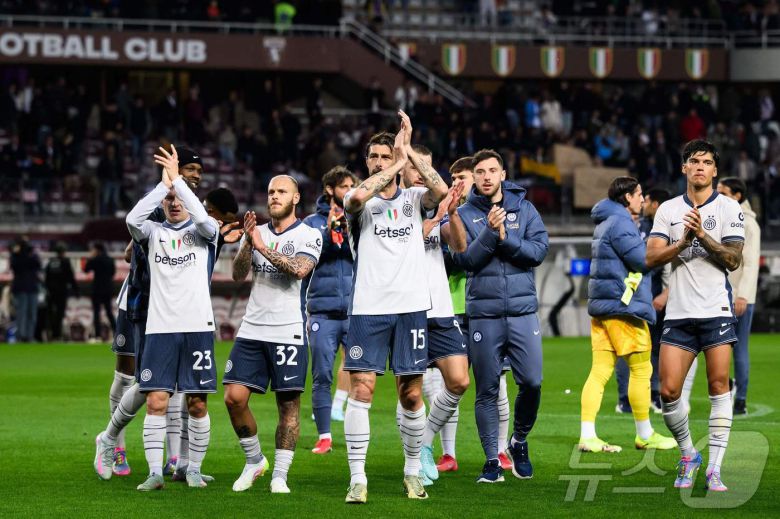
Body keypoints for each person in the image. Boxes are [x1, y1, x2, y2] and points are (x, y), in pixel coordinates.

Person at [95, 145, 219, 491]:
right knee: (154, 396)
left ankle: (191, 467)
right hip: (159, 326)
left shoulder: (204, 234)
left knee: (195, 401)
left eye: (180, 198)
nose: (175, 202)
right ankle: (151, 470)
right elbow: (133, 220)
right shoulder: (153, 234)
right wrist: (164, 187)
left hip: (197, 328)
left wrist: (177, 182)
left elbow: (206, 220)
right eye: (170, 200)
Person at [342, 111, 447, 503]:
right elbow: (354, 197)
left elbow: (443, 190)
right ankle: (357, 478)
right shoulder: (362, 204)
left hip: (410, 307)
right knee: (362, 389)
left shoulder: (415, 199)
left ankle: (412, 472)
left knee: (412, 395)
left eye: (386, 156)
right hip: (369, 307)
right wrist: (399, 162)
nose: (379, 162)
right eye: (374, 157)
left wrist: (412, 154)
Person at [445, 148, 548, 483]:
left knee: (532, 382)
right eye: (481, 172)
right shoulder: (464, 213)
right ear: (473, 177)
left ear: (503, 174)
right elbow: (465, 261)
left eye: (493, 170)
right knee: (487, 388)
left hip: (522, 313)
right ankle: (492, 460)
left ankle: (518, 441)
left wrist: (505, 238)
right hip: (484, 315)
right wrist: (491, 233)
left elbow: (537, 252)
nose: (487, 177)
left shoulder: (525, 209)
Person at [646, 139, 744, 491]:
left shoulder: (730, 209)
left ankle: (714, 468)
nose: (700, 166)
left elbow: (734, 259)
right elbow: (651, 257)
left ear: (715, 170)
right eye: (693, 161)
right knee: (669, 391)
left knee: (719, 386)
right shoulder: (669, 210)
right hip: (679, 313)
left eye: (706, 162)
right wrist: (683, 243)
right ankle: (689, 453)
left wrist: (703, 234)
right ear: (684, 168)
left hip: (715, 309)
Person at [225, 175, 322, 494]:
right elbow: (239, 276)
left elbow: (298, 269)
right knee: (233, 398)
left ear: (296, 198)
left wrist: (262, 246)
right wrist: (248, 244)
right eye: (270, 192)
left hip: (288, 331)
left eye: (281, 191)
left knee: (288, 406)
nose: (274, 196)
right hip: (252, 328)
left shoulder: (309, 234)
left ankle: (280, 475)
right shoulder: (258, 232)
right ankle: (254, 461)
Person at [578, 177, 676, 453]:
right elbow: (642, 261)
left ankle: (587, 435)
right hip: (623, 308)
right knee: (642, 369)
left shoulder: (606, 220)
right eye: (639, 194)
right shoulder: (621, 223)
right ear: (627, 198)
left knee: (599, 371)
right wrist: (675, 248)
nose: (643, 199)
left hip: (604, 307)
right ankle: (644, 433)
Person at [399, 145, 470, 487]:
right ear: (404, 169)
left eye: (428, 167)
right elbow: (404, 247)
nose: (422, 173)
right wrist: (434, 216)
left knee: (459, 381)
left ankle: (425, 444)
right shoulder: (394, 205)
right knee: (410, 391)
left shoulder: (434, 205)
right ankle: (413, 458)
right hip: (405, 308)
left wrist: (451, 213)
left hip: (440, 307)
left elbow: (459, 246)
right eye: (416, 166)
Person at [302, 166, 358, 454]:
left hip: (354, 309)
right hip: (322, 311)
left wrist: (347, 230)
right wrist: (330, 231)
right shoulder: (311, 223)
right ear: (329, 189)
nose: (349, 190)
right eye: (344, 185)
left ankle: (355, 434)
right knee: (322, 374)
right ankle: (324, 436)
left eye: (352, 185)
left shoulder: (359, 218)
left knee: (361, 373)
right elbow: (309, 257)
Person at [614, 188, 672, 414]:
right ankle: (625, 398)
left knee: (655, 347)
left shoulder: (656, 228)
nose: (643, 201)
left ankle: (653, 394)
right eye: (641, 196)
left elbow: (663, 262)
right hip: (631, 297)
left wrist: (665, 294)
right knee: (628, 348)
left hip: (652, 296)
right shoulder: (630, 226)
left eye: (646, 198)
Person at [717, 178, 760, 415]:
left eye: (723, 192)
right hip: (725, 293)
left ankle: (740, 398)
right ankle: (731, 388)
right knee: (721, 346)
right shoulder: (732, 218)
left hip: (738, 297)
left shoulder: (748, 224)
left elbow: (751, 263)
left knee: (739, 348)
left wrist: (742, 295)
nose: (718, 195)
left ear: (737, 195)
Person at [44, 242, 78, 341]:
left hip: (51, 292)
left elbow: (46, 278)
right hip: (61, 292)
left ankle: (50, 333)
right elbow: (71, 277)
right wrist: (76, 290)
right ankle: (57, 335)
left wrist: (48, 289)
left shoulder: (50, 262)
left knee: (50, 314)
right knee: (60, 314)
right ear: (63, 252)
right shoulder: (65, 262)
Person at [10, 236, 41, 342]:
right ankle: (21, 336)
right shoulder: (16, 256)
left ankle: (29, 336)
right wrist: (17, 253)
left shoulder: (33, 255)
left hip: (32, 287)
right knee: (21, 313)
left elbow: (38, 265)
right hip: (20, 288)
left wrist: (30, 254)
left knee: (32, 314)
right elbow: (15, 266)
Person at [83, 242, 116, 341]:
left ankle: (98, 336)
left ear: (97, 250)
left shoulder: (95, 259)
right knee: (109, 312)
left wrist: (90, 258)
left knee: (96, 313)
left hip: (97, 289)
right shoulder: (110, 260)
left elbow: (86, 269)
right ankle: (117, 333)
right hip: (107, 289)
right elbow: (113, 273)